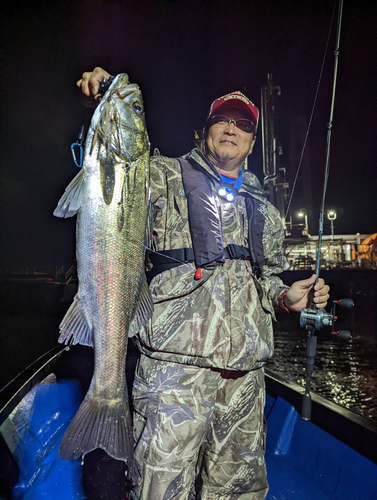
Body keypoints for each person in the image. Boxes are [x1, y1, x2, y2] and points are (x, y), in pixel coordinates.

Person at [77, 68, 330, 500]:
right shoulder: (162, 177)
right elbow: (108, 173)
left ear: (251, 142)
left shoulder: (265, 212)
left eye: (244, 124)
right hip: (174, 378)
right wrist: (98, 106)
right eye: (223, 119)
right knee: (160, 491)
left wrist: (285, 296)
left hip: (245, 383)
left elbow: (266, 277)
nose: (232, 128)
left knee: (237, 494)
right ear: (205, 130)